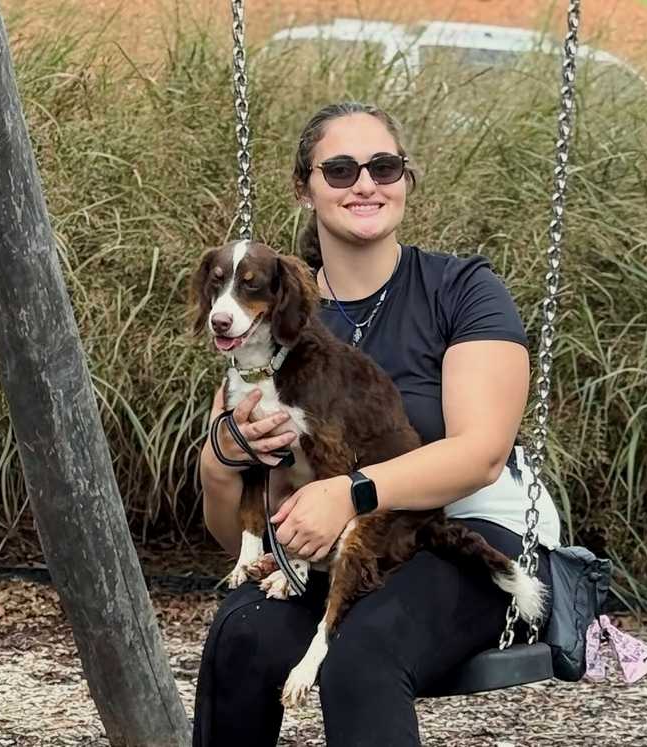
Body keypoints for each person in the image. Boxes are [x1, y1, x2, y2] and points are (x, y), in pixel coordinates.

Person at [192, 101, 562, 747]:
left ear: (405, 179)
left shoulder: (461, 288)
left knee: (359, 658)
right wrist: (222, 456)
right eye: (339, 169)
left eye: (383, 166)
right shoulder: (263, 315)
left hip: (469, 527)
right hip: (340, 547)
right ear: (304, 188)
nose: (365, 183)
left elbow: (479, 453)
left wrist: (352, 491)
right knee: (240, 635)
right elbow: (237, 533)